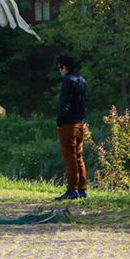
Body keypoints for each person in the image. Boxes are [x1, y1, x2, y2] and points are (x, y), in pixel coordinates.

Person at [54, 55, 88, 201]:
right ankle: (82, 188)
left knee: (70, 158)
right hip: (80, 123)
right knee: (79, 157)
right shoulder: (82, 80)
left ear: (65, 67)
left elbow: (64, 104)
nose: (59, 70)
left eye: (60, 67)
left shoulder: (68, 81)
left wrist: (59, 121)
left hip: (68, 124)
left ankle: (72, 189)